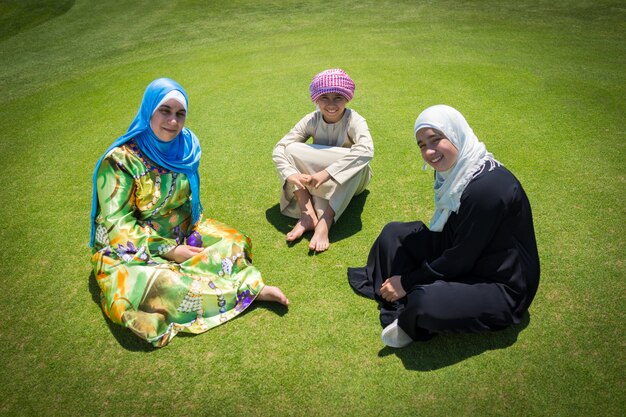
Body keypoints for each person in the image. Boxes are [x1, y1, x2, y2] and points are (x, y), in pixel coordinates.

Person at [90, 78, 288, 347]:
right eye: (165, 111)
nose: (173, 121)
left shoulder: (187, 147)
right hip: (129, 248)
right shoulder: (120, 161)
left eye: (180, 114)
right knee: (161, 285)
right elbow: (117, 224)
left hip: (184, 230)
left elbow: (188, 205)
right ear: (149, 110)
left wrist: (184, 240)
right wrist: (169, 250)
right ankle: (248, 290)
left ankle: (211, 276)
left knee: (235, 242)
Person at [347, 104, 539, 348]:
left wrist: (407, 282)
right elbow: (455, 239)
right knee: (393, 235)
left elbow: (461, 258)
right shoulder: (458, 170)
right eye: (422, 145)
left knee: (424, 301)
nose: (429, 152)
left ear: (456, 134)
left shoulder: (486, 188)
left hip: (500, 284)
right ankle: (403, 295)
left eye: (435, 140)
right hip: (467, 251)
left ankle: (410, 310)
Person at [272, 69, 374, 252]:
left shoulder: (355, 120)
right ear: (316, 99)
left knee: (359, 160)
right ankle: (307, 214)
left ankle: (325, 222)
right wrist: (290, 174)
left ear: (347, 98)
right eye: (324, 98)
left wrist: (325, 174)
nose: (331, 104)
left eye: (338, 97)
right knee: (290, 149)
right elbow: (279, 148)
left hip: (354, 180)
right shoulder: (311, 119)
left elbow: (367, 150)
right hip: (316, 179)